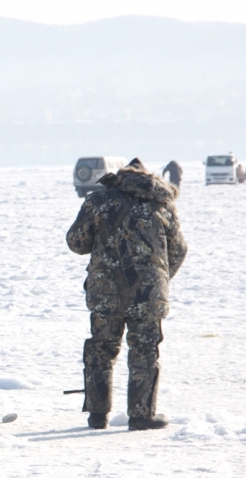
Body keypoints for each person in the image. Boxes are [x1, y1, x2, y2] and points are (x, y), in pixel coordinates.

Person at [66, 158, 188, 431]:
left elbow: (76, 242)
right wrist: (159, 278)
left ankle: (97, 415)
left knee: (101, 348)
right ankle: (141, 415)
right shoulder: (161, 203)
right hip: (148, 293)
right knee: (144, 350)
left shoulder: (100, 201)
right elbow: (178, 250)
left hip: (105, 291)